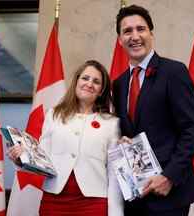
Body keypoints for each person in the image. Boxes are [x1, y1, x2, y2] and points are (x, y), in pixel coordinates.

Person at [112, 5, 194, 216]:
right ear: (119, 40)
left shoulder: (174, 72)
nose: (134, 36)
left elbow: (192, 130)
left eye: (140, 29)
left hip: (169, 195)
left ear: (151, 34)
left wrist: (169, 176)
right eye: (127, 31)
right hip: (134, 196)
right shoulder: (119, 84)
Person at [8, 60, 124, 216]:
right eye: (85, 78)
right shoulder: (54, 115)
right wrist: (21, 159)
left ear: (101, 90)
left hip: (93, 204)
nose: (89, 84)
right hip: (54, 201)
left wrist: (115, 213)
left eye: (96, 82)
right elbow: (43, 159)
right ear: (76, 81)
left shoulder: (111, 123)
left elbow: (114, 173)